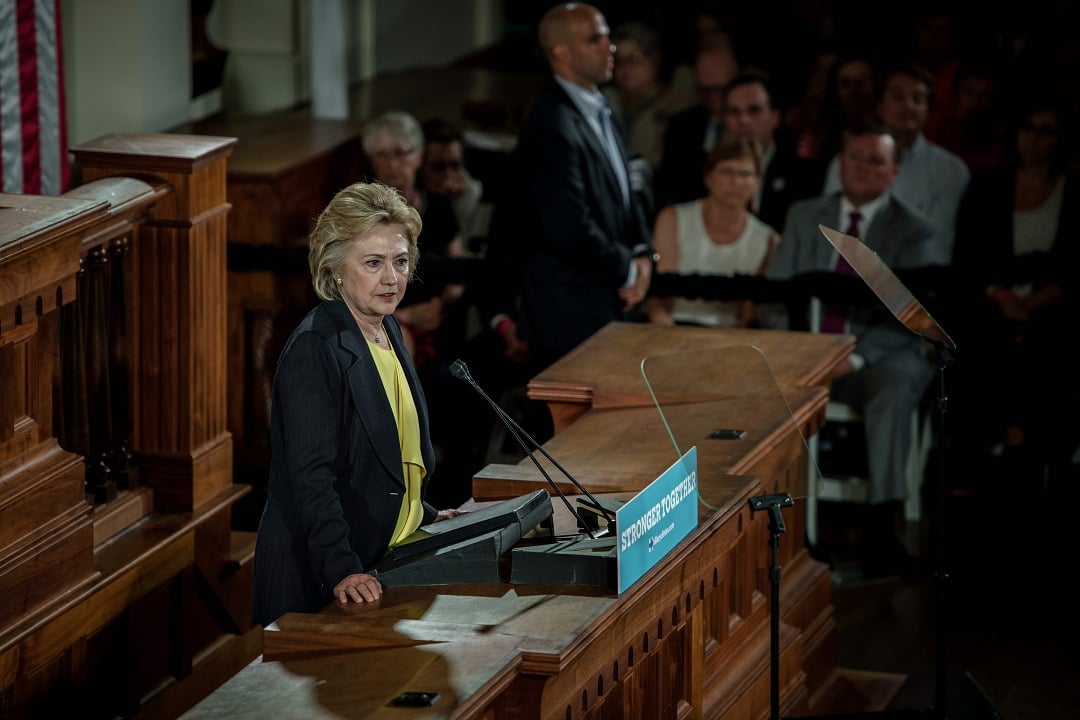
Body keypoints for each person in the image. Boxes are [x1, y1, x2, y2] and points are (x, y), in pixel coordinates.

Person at [252, 182, 463, 626]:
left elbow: (387, 456)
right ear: (335, 269)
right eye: (373, 263)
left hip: (385, 556)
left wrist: (419, 512)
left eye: (401, 262)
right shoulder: (316, 347)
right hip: (322, 581)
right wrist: (342, 568)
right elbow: (311, 478)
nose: (392, 278)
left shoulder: (387, 330)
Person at [763, 122, 938, 578]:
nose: (862, 168)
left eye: (875, 161)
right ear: (841, 161)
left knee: (895, 385)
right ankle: (792, 525)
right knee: (766, 377)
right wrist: (802, 353)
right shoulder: (804, 214)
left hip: (877, 357)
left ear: (894, 172)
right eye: (855, 157)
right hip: (806, 349)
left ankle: (883, 527)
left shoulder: (914, 230)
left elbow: (910, 316)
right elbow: (778, 295)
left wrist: (853, 358)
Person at [491, 2, 655, 373]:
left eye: (608, 36)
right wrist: (628, 270)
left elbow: (626, 191)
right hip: (571, 318)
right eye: (595, 39)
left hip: (609, 305)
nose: (610, 46)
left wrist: (644, 253)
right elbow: (567, 226)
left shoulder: (601, 106)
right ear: (561, 52)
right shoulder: (551, 124)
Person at [948, 93, 1080, 486]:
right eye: (1028, 128)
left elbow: (1073, 267)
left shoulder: (1074, 190)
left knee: (1052, 339)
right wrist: (1004, 297)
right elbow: (968, 259)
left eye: (1046, 131)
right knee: (982, 334)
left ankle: (1038, 451)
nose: (1035, 140)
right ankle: (983, 449)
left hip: (1055, 301)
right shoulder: (987, 184)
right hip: (991, 298)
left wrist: (1034, 301)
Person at [822, 60, 970, 261]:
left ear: (928, 110)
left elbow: (938, 244)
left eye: (917, 99)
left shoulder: (951, 170)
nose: (908, 106)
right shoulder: (846, 162)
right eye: (898, 97)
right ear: (880, 106)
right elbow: (831, 230)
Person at [646, 136, 778, 329]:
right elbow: (659, 296)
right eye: (727, 172)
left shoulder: (767, 239)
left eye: (745, 174)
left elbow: (748, 314)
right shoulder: (672, 218)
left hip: (730, 336)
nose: (735, 182)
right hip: (672, 327)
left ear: (757, 181)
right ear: (708, 177)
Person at [721, 68, 825, 235]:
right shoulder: (706, 173)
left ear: (775, 117)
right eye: (734, 112)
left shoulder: (802, 176)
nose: (743, 120)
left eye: (754, 111)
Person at [654, 28, 740, 208]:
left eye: (719, 89)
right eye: (705, 90)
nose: (713, 97)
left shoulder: (749, 125)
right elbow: (666, 188)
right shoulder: (681, 127)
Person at [418, 117, 492, 246]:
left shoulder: (471, 191)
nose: (449, 175)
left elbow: (468, 248)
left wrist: (458, 205)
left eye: (455, 166)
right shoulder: (411, 192)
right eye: (439, 167)